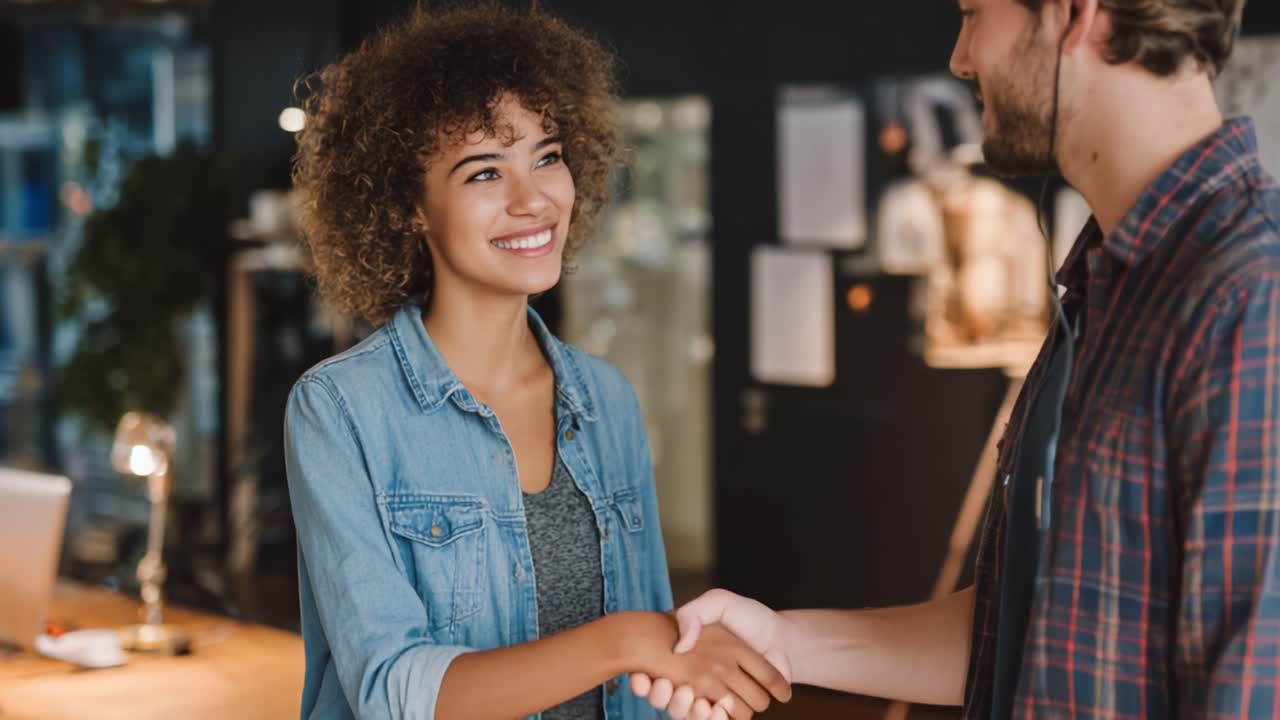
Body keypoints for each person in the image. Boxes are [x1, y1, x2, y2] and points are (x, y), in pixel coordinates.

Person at [634, 0, 1280, 718]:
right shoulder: (1111, 283)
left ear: (1074, 15)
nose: (959, 58)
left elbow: (1251, 691)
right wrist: (783, 640)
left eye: (974, 14)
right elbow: (1034, 630)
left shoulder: (1251, 298)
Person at [284, 4, 790, 719]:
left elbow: (649, 686)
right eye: (484, 173)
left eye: (547, 157)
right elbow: (391, 693)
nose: (534, 200)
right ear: (408, 207)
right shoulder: (340, 409)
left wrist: (666, 662)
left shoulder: (604, 398)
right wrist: (628, 639)